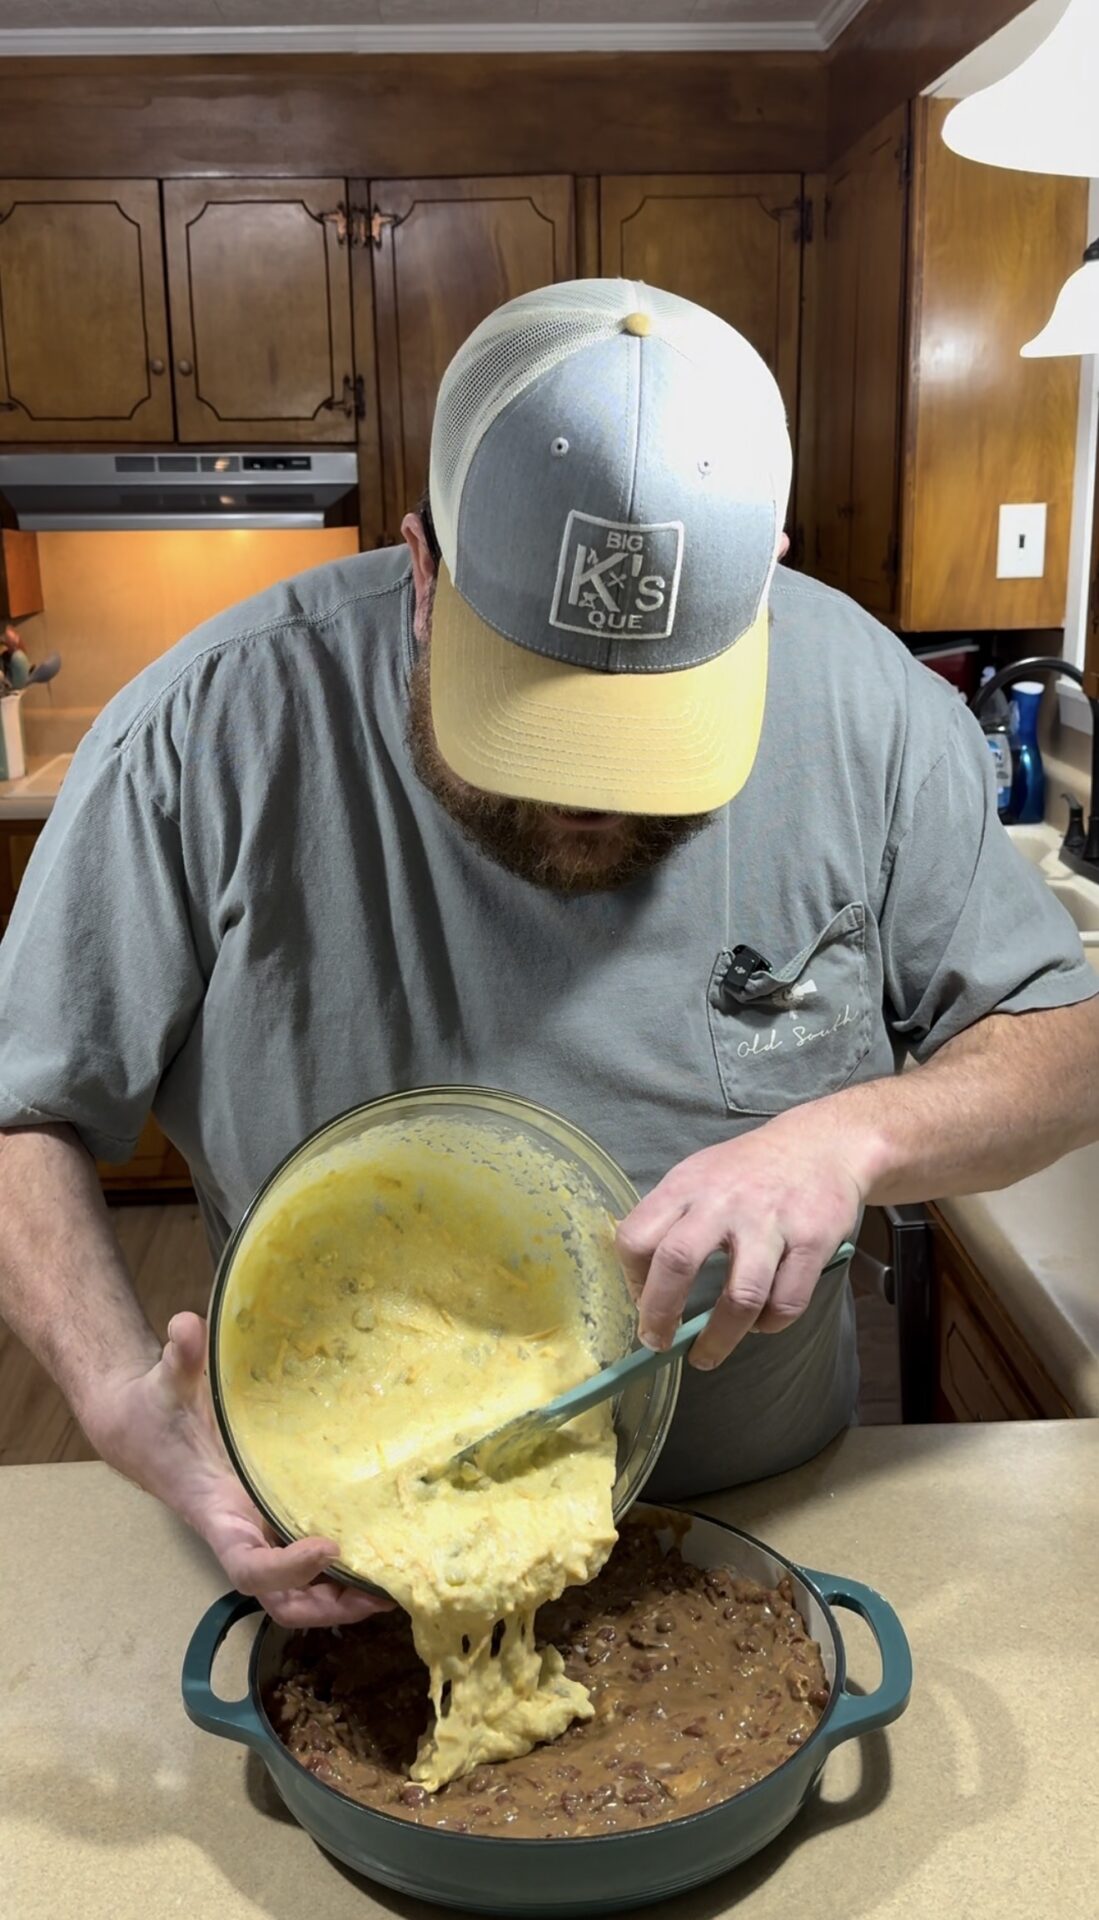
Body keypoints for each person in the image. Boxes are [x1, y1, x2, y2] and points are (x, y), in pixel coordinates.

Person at [1, 280, 1096, 1628]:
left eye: (651, 732)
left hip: (769, 1526)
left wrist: (855, 1136)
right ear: (423, 570)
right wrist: (115, 1387)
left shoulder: (873, 711)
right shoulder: (206, 733)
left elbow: (1069, 1044)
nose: (594, 802)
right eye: (532, 718)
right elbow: (21, 1104)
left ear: (765, 584)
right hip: (344, 1562)